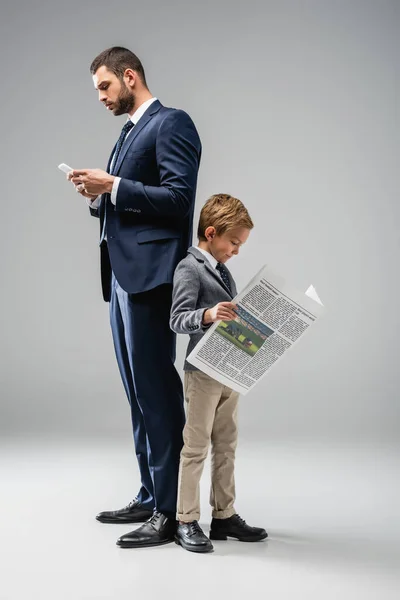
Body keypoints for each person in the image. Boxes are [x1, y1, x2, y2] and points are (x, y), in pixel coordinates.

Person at [68, 46, 201, 549]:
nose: (101, 97)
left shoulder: (171, 123)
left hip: (152, 277)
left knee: (157, 394)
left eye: (105, 86)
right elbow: (127, 200)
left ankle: (170, 510)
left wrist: (116, 186)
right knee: (136, 393)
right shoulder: (127, 132)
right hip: (122, 277)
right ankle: (150, 492)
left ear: (129, 76)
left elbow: (179, 200)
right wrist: (99, 195)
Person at [170, 194, 268, 553]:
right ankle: (186, 519)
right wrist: (208, 315)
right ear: (211, 233)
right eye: (234, 243)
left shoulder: (223, 270)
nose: (237, 251)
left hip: (230, 369)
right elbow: (177, 319)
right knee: (195, 448)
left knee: (226, 446)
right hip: (202, 372)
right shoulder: (189, 267)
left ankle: (224, 516)